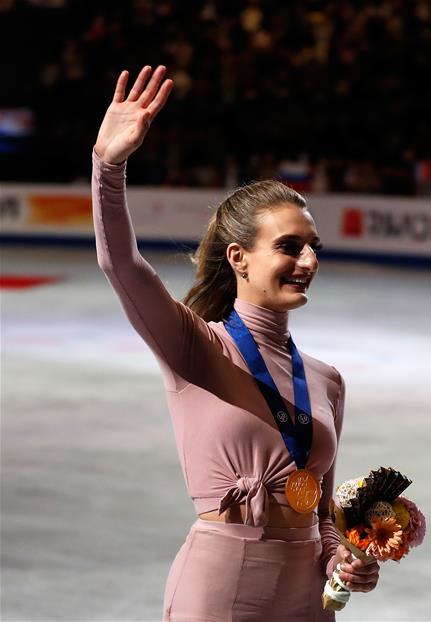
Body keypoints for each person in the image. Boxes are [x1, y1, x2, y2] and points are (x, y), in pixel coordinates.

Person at [92, 65, 379, 620]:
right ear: (239, 258)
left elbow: (320, 514)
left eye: (313, 247)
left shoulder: (326, 381)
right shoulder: (194, 348)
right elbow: (121, 264)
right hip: (223, 582)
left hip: (308, 599)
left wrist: (346, 559)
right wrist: (109, 167)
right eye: (290, 247)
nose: (309, 261)